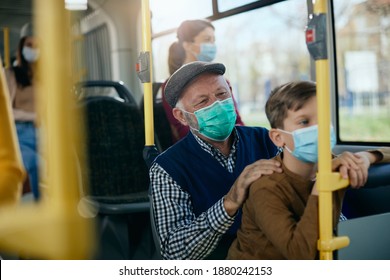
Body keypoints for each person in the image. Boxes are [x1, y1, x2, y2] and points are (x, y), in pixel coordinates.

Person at [226, 81, 390, 259]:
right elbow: (300, 254)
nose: (318, 129)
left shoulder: (327, 161)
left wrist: (366, 157)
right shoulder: (266, 187)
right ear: (278, 137)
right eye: (304, 122)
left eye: (323, 119)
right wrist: (322, 186)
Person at [150, 61, 282, 260]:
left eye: (222, 95)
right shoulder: (167, 168)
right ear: (181, 116)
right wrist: (229, 203)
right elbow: (174, 254)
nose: (217, 105)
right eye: (203, 101)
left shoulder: (265, 140)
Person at [161, 19, 244, 144]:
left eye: (213, 40)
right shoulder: (173, 87)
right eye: (207, 40)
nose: (212, 45)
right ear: (187, 45)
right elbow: (183, 132)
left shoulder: (222, 80)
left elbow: (237, 120)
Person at [4, 23, 40, 200]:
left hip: (45, 132)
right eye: (29, 45)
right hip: (21, 133)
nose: (33, 50)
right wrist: (34, 116)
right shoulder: (11, 74)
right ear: (22, 47)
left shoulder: (47, 76)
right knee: (35, 164)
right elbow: (7, 110)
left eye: (37, 45)